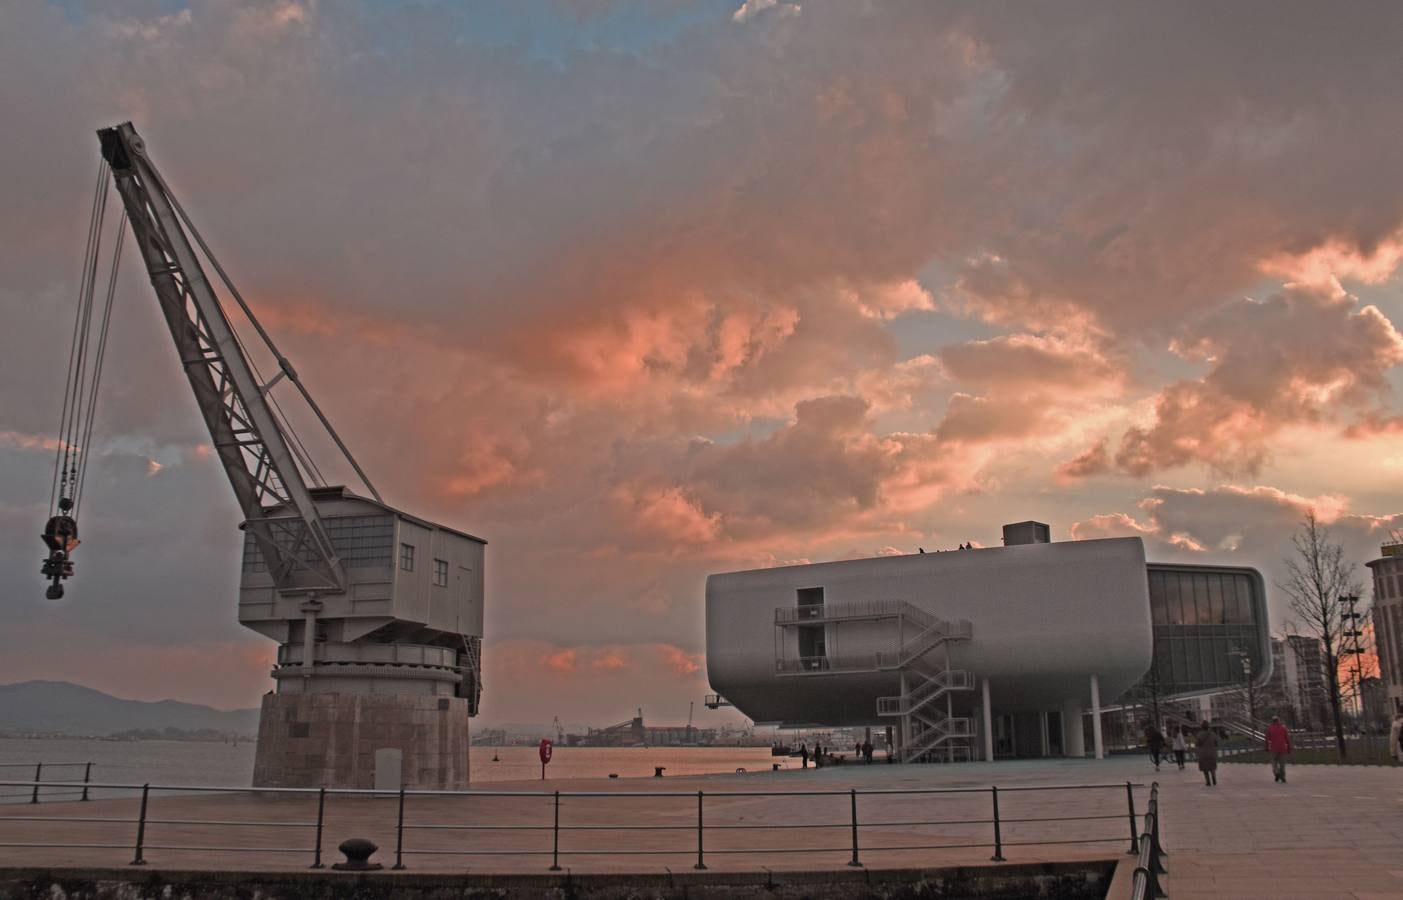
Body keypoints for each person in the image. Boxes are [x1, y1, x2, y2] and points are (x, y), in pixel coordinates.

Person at [1264, 716, 1292, 783]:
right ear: (1279, 721)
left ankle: (1276, 773)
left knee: (1274, 762)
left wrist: (1266, 747)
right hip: (1282, 748)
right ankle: (1283, 777)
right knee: (1282, 764)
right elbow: (1287, 739)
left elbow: (1267, 739)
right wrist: (1289, 748)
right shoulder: (1283, 728)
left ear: (1272, 721)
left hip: (1274, 749)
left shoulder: (1270, 729)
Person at [1194, 720, 1218, 786]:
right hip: (1212, 753)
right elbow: (1216, 743)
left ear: (1201, 727)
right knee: (1212, 767)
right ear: (1208, 726)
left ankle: (1208, 782)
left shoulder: (1199, 735)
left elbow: (1197, 744)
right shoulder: (1213, 734)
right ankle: (1214, 777)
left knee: (1205, 768)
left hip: (1203, 754)